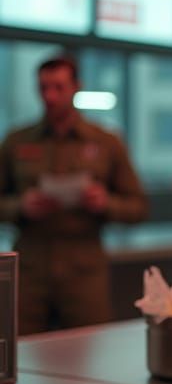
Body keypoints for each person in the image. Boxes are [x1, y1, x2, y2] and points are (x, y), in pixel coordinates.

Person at [0, 55, 147, 334]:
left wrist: (105, 203)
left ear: (76, 87)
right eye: (43, 88)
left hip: (84, 267)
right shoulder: (17, 141)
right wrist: (21, 206)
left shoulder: (106, 142)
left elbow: (139, 207)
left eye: (58, 87)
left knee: (88, 351)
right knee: (20, 351)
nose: (50, 96)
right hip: (30, 265)